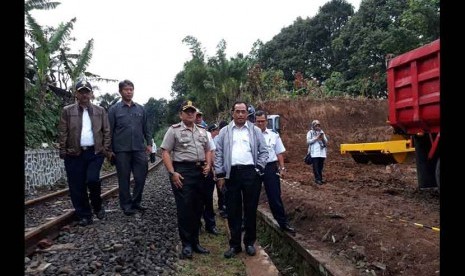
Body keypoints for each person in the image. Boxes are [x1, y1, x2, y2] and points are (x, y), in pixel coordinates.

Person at [214, 101, 269, 258]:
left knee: (251, 209)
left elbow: (264, 151)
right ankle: (235, 245)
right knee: (233, 210)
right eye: (237, 111)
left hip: (251, 173)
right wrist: (220, 174)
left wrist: (259, 168)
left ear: (247, 114)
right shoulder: (224, 132)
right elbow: (218, 153)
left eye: (243, 111)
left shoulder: (255, 131)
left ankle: (250, 243)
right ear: (232, 113)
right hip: (232, 175)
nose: (240, 114)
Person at [160, 100, 212, 259]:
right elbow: (165, 152)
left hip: (200, 171)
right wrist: (172, 172)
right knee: (185, 208)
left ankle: (196, 242)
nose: (190, 114)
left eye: (192, 111)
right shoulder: (173, 130)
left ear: (196, 113)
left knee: (198, 207)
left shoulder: (203, 131)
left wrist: (208, 164)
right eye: (187, 111)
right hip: (183, 171)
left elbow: (208, 149)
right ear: (181, 114)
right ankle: (187, 245)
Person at [58, 80, 112, 226]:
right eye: (81, 92)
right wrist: (62, 150)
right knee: (77, 186)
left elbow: (106, 131)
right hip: (74, 154)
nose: (84, 94)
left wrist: (105, 149)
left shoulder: (100, 111)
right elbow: (63, 132)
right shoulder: (67, 111)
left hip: (95, 153)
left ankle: (97, 206)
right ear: (76, 94)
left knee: (93, 180)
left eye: (87, 91)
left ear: (91, 94)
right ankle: (84, 215)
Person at [108, 79, 153, 216]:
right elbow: (109, 130)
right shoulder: (114, 110)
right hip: (121, 150)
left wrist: (149, 143)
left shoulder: (141, 109)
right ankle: (126, 205)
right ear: (120, 91)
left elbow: (147, 128)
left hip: (139, 148)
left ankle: (136, 202)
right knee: (124, 179)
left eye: (131, 89)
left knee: (141, 177)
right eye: (126, 89)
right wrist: (109, 150)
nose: (129, 92)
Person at [254, 110, 296, 235]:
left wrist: (282, 168)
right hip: (254, 167)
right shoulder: (250, 135)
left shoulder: (274, 135)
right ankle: (246, 223)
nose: (260, 123)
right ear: (254, 122)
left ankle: (283, 223)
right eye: (258, 121)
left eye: (262, 121)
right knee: (251, 197)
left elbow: (279, 153)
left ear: (267, 121)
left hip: (270, 167)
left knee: (274, 196)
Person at [198, 123, 220, 235]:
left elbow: (212, 151)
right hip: (192, 170)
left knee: (208, 199)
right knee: (194, 199)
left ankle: (210, 225)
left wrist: (214, 168)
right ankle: (197, 225)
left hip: (207, 168)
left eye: (199, 117)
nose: (197, 119)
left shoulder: (207, 134)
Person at [306, 119, 328, 185]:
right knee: (315, 167)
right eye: (316, 126)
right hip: (314, 153)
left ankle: (320, 178)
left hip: (322, 152)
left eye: (318, 126)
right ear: (313, 126)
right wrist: (316, 138)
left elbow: (326, 141)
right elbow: (308, 141)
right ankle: (317, 179)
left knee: (320, 167)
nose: (317, 127)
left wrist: (322, 137)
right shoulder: (310, 133)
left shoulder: (322, 132)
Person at [215, 120, 228, 218]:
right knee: (223, 189)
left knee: (222, 190)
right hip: (225, 168)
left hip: (221, 168)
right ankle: (224, 207)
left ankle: (223, 207)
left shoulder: (216, 138)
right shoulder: (220, 138)